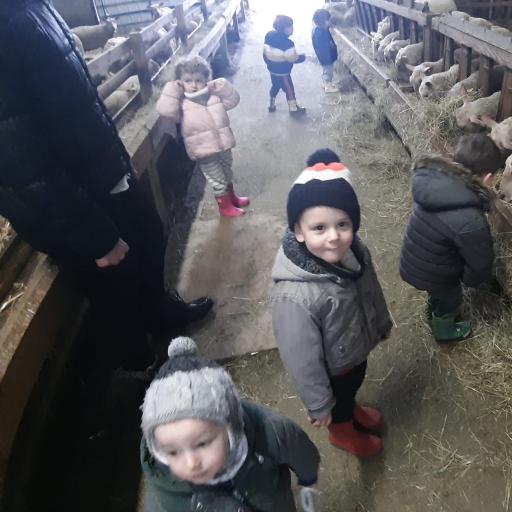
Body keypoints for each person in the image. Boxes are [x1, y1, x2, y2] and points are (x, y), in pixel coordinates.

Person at [0, 0, 212, 374]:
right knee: (112, 290)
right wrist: (91, 232)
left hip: (93, 171)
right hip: (70, 197)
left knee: (147, 237)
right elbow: (19, 158)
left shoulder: (27, 7)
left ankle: (160, 314)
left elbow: (71, 100)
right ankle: (143, 370)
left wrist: (112, 157)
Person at [271, 149, 392, 458]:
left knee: (351, 386)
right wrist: (318, 404)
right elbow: (301, 359)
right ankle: (342, 431)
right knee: (337, 397)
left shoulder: (355, 254)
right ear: (298, 231)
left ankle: (350, 407)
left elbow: (370, 290)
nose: (334, 237)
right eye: (319, 228)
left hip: (352, 352)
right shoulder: (294, 296)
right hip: (331, 370)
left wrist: (380, 322)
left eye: (343, 224)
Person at [141, 337, 320, 512]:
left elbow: (299, 449)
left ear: (231, 427)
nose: (191, 463)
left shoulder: (269, 431)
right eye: (172, 452)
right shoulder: (164, 491)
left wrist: (307, 476)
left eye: (202, 443)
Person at [399, 154, 496, 343]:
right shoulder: (471, 219)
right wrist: (469, 281)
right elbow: (480, 263)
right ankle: (444, 331)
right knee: (451, 300)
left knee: (437, 292)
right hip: (437, 273)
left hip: (414, 262)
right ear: (488, 178)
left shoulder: (438, 187)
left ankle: (433, 311)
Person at [157, 55, 249, 218]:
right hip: (203, 150)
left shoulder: (214, 97)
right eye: (188, 80)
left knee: (226, 172)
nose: (193, 85)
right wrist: (173, 89)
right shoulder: (182, 104)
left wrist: (223, 86)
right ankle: (225, 208)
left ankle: (232, 198)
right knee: (217, 179)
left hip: (223, 144)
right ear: (180, 82)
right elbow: (165, 110)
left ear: (207, 79)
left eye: (198, 80)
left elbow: (233, 100)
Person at [263, 14, 307, 116]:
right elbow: (293, 58)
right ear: (284, 29)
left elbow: (265, 51)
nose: (293, 29)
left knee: (275, 86)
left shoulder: (269, 35)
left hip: (272, 70)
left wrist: (269, 62)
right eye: (290, 27)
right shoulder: (288, 43)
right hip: (283, 72)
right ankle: (293, 109)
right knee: (289, 89)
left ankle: (271, 105)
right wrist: (302, 57)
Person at [311, 9, 339, 93]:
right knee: (328, 71)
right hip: (326, 57)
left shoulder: (320, 30)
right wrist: (331, 48)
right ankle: (328, 86)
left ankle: (325, 84)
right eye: (328, 20)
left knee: (326, 70)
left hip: (325, 56)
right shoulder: (320, 34)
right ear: (324, 21)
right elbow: (323, 47)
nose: (330, 22)